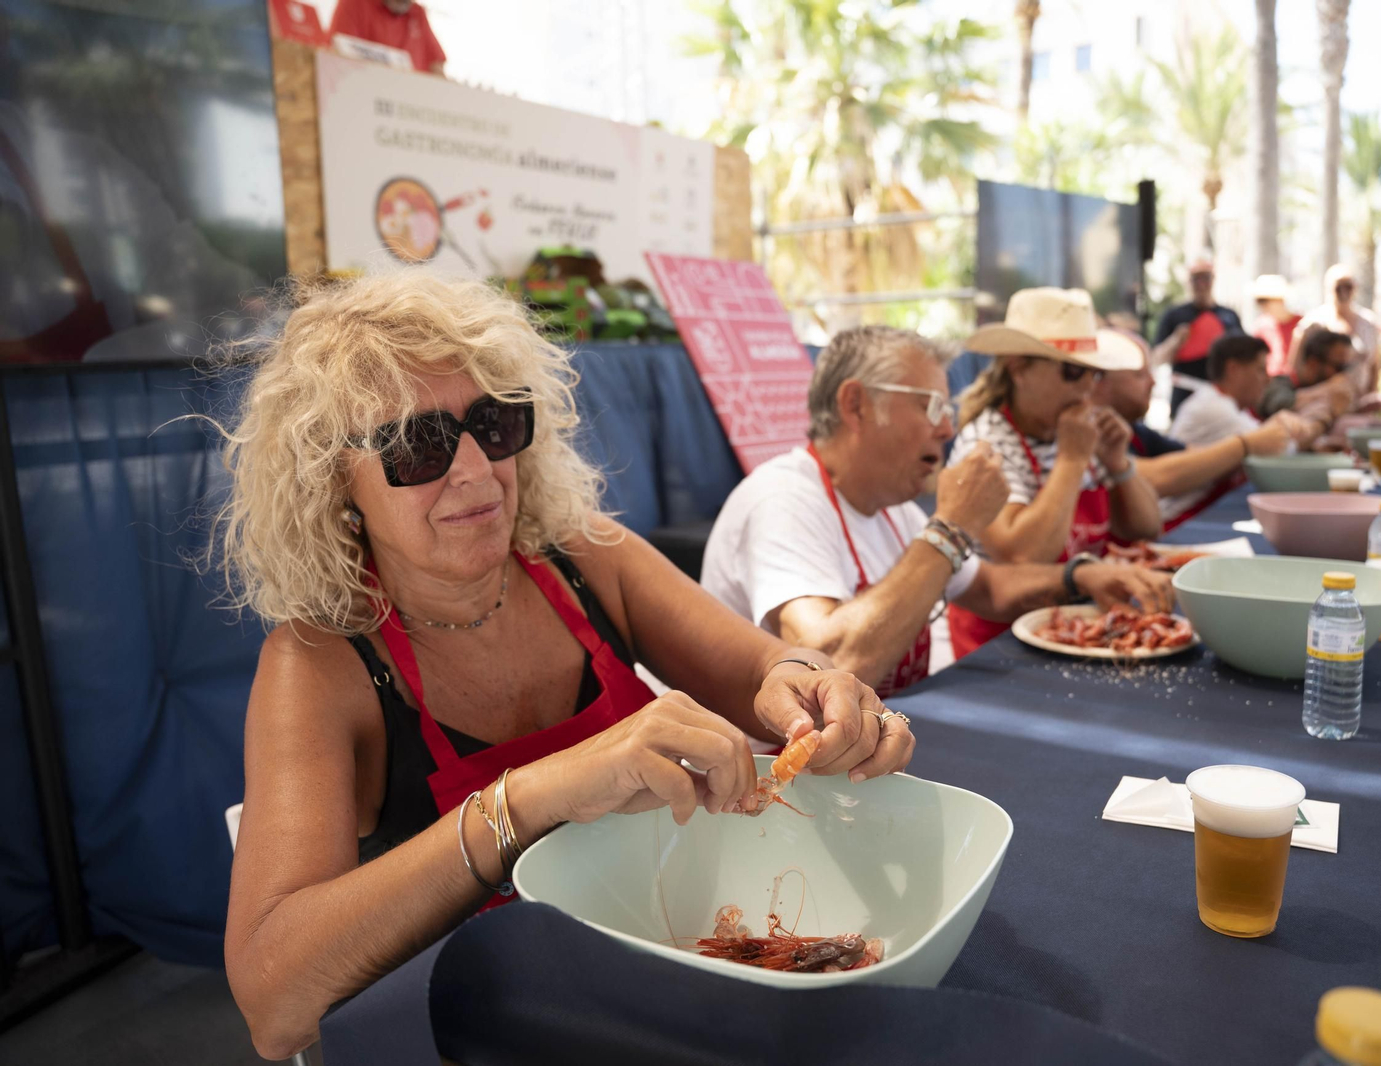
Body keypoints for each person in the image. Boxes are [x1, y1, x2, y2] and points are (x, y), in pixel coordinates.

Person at [219, 274, 913, 1060]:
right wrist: (532, 796)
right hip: (498, 1028)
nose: (477, 470)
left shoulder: (583, 557)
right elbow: (273, 1004)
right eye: (419, 445)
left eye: (494, 423)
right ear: (334, 480)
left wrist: (813, 683)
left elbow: (764, 668)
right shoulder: (319, 663)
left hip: (673, 956)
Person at [700, 324, 1173, 681]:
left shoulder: (893, 506)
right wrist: (950, 528)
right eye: (930, 406)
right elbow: (828, 665)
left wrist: (1080, 575)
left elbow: (989, 588)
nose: (947, 430)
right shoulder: (782, 501)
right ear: (855, 405)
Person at [942, 290, 1167, 656]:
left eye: (1094, 373)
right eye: (1073, 371)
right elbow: (1023, 556)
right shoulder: (986, 445)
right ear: (1018, 368)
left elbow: (1145, 527)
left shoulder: (1079, 430)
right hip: (1002, 646)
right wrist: (1072, 460)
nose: (1087, 387)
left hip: (1077, 628)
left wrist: (1118, 464)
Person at [1093, 330, 1293, 529]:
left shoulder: (1133, 429)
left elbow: (1187, 453)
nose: (1153, 382)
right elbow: (1150, 479)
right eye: (1140, 375)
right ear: (1098, 381)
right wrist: (1244, 445)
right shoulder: (1094, 434)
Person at [1168, 335, 1318, 519]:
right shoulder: (1216, 408)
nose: (1267, 379)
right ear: (1233, 369)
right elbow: (1280, 448)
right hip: (1182, 517)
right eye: (1260, 370)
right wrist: (1321, 418)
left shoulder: (1228, 404)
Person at [1154, 259, 1245, 413]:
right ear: (1189, 282)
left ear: (1213, 280)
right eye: (1196, 279)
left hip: (1222, 398)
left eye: (1206, 278)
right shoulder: (1174, 316)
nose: (1201, 284)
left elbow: (1244, 357)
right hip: (1185, 396)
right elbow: (1157, 359)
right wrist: (1176, 340)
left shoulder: (1229, 316)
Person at [1289, 263, 1381, 397]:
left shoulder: (1369, 324)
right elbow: (1295, 366)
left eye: (1348, 286)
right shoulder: (1312, 324)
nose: (1344, 291)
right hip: (1321, 399)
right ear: (1328, 288)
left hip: (1359, 399)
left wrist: (1372, 394)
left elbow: (1374, 364)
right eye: (1339, 287)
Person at [1259, 326, 1358, 424]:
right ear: (1313, 363)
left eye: (1347, 367)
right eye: (1339, 367)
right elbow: (1280, 405)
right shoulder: (1278, 384)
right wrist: (1330, 390)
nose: (1343, 374)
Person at [329, 0, 447, 74]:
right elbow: (336, 55)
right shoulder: (353, 4)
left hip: (409, 99)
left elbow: (436, 64)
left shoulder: (417, 12)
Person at [1250, 274, 1301, 378]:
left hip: (1296, 381)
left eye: (1265, 300)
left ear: (1280, 300)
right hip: (1269, 380)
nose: (1263, 305)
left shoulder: (1301, 323)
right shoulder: (1261, 325)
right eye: (1259, 301)